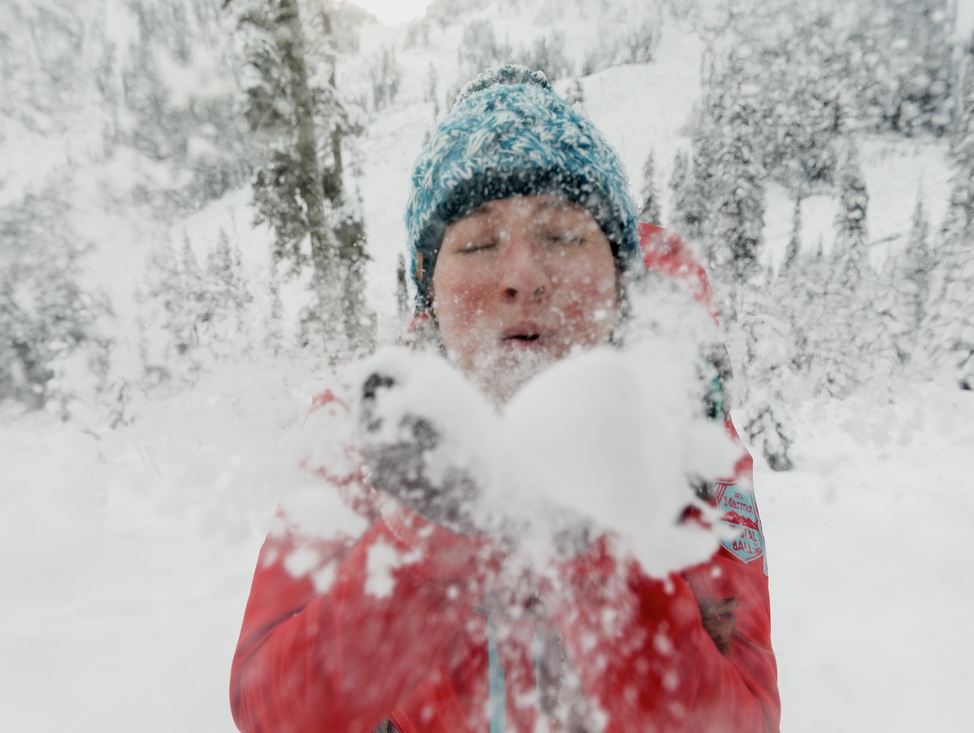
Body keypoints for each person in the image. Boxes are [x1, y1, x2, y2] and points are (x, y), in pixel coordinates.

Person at [230, 65, 780, 733]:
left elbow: (743, 718)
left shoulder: (685, 435)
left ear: (618, 278)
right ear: (430, 294)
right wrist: (425, 537)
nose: (522, 276)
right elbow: (271, 710)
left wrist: (594, 546)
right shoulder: (367, 427)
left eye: (564, 235)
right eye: (479, 242)